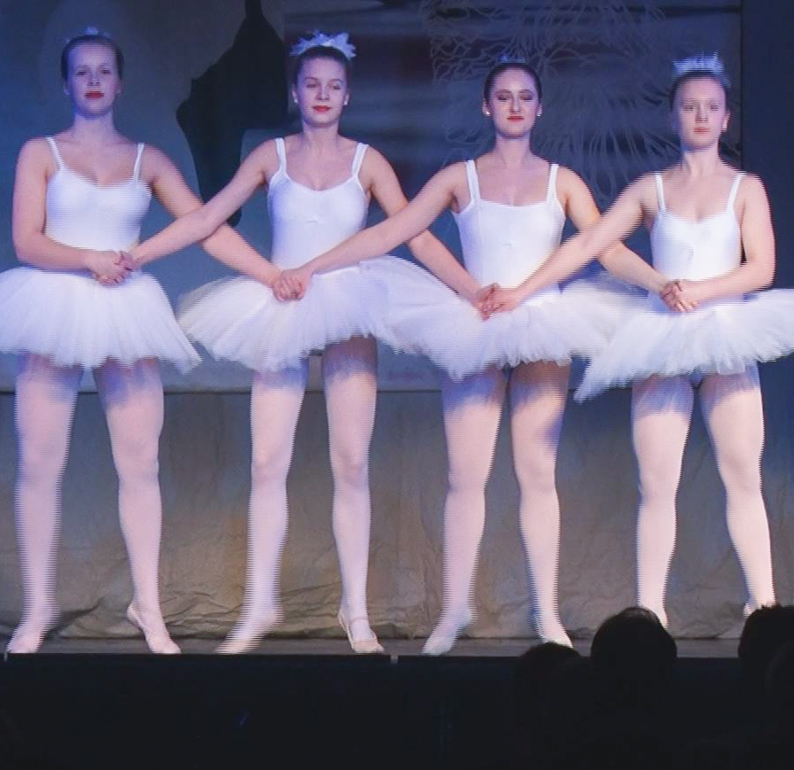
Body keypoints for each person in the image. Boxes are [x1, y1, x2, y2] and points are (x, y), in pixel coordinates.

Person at [274, 59, 667, 654]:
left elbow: (603, 248)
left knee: (538, 473)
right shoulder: (460, 177)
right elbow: (397, 231)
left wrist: (660, 284)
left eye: (525, 97)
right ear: (486, 107)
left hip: (540, 323)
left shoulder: (562, 181)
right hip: (476, 323)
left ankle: (546, 613)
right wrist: (313, 267)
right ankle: (454, 610)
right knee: (465, 475)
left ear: (540, 108)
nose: (514, 105)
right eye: (503, 97)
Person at [131, 32, 478, 654]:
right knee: (268, 462)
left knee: (351, 463)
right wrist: (137, 255)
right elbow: (207, 219)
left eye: (333, 86)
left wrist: (471, 289)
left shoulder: (368, 162)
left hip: (348, 305)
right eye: (312, 84)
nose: (322, 94)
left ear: (348, 96)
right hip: (283, 302)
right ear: (295, 93)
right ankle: (259, 604)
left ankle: (356, 612)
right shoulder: (271, 156)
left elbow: (414, 233)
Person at [480, 54, 794, 628]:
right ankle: (650, 609)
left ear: (726, 119)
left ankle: (764, 603)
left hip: (725, 334)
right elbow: (591, 245)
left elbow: (762, 267)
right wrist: (523, 291)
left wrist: (700, 290)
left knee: (743, 476)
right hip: (663, 339)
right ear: (674, 116)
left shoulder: (745, 188)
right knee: (656, 484)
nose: (700, 116)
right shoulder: (650, 190)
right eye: (689, 107)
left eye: (711, 107)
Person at [0, 29, 278, 654]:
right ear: (66, 83)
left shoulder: (148, 160)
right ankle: (37, 607)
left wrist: (269, 273)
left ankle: (148, 606)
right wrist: (89, 258)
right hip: (54, 303)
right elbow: (27, 240)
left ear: (120, 83)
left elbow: (204, 225)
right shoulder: (41, 153)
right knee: (40, 460)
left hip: (124, 308)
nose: (93, 80)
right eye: (82, 71)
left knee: (141, 462)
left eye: (103, 71)